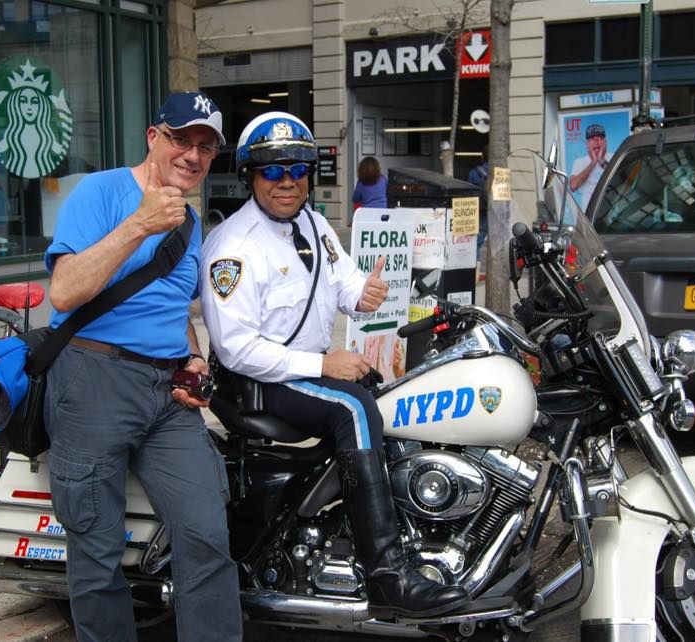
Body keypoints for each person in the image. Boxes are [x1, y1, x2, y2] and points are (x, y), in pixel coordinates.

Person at [200, 111, 468, 619]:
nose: (287, 182)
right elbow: (236, 349)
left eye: (297, 169)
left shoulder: (315, 225)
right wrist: (323, 364)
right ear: (250, 177)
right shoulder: (232, 249)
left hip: (302, 371)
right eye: (272, 171)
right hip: (255, 382)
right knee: (353, 410)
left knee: (393, 395)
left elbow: (342, 282)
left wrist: (363, 295)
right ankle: (387, 572)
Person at [43, 91, 242, 642]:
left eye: (206, 147)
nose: (192, 155)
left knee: (205, 533)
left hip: (167, 394)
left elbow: (173, 307)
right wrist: (139, 225)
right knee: (96, 548)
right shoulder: (101, 191)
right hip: (92, 381)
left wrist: (194, 357)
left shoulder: (191, 220)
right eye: (181, 139)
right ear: (153, 137)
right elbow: (64, 292)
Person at [568, 123, 612, 211]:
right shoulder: (579, 162)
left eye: (600, 138)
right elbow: (573, 186)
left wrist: (601, 161)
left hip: (610, 214)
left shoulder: (613, 157)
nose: (597, 141)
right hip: (589, 216)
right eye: (592, 139)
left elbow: (622, 178)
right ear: (587, 143)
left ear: (605, 142)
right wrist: (593, 163)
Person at [466, 145, 490, 257]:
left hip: (480, 212)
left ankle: (475, 270)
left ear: (482, 156)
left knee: (476, 243)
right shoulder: (501, 172)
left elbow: (468, 195)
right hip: (497, 213)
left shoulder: (474, 172)